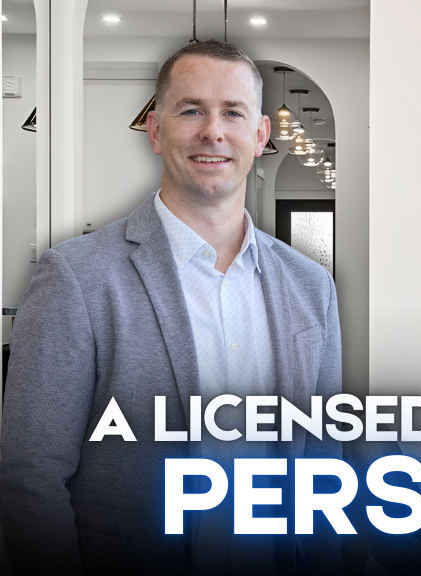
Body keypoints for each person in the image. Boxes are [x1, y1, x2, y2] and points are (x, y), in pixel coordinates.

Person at [0, 40, 343, 575]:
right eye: (191, 110)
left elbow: (323, 464)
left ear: (260, 136)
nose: (213, 131)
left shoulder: (311, 286)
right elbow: (31, 473)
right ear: (156, 131)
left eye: (233, 112)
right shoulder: (76, 277)